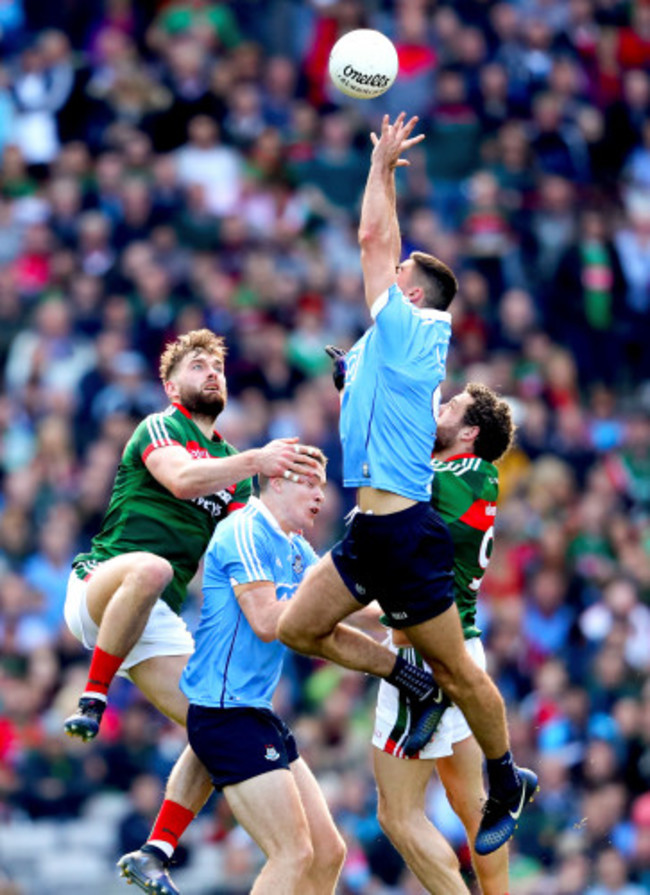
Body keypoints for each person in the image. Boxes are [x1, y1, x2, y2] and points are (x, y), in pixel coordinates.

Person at [277, 112, 538, 857]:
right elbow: (396, 409)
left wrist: (382, 168)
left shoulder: (415, 328)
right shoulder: (388, 348)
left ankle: (505, 776)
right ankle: (408, 680)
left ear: (414, 296)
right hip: (370, 527)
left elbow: (370, 240)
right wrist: (348, 372)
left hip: (406, 531)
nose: (384, 282)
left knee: (459, 666)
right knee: (300, 626)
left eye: (397, 280)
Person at [62, 328, 322, 877]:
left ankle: (156, 851)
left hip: (152, 617)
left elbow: (254, 536)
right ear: (171, 382)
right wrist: (256, 460)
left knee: (218, 716)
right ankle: (93, 697)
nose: (211, 373)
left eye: (218, 368)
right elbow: (180, 480)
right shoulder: (162, 426)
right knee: (154, 567)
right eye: (198, 365)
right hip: (103, 588)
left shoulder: (231, 464)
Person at [119, 451, 346, 895]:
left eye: (323, 485)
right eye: (311, 483)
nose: (322, 494)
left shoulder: (297, 549)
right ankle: (157, 847)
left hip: (254, 714)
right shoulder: (244, 529)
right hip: (228, 713)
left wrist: (406, 620)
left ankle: (157, 848)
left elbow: (339, 605)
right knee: (294, 853)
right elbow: (267, 621)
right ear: (277, 482)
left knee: (329, 851)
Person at [372, 383, 515, 895]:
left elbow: (388, 473)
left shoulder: (444, 478)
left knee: (397, 814)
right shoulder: (483, 476)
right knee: (470, 802)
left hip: (424, 655)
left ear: (469, 432)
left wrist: (371, 391)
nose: (439, 410)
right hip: (462, 645)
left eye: (449, 406)